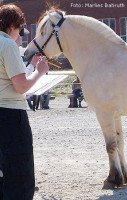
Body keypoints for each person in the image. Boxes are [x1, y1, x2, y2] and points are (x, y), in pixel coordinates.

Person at [0, 4, 49, 200]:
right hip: (10, 115)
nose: (20, 33)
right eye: (19, 28)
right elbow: (20, 86)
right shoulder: (7, 44)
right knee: (20, 175)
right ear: (12, 25)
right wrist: (39, 71)